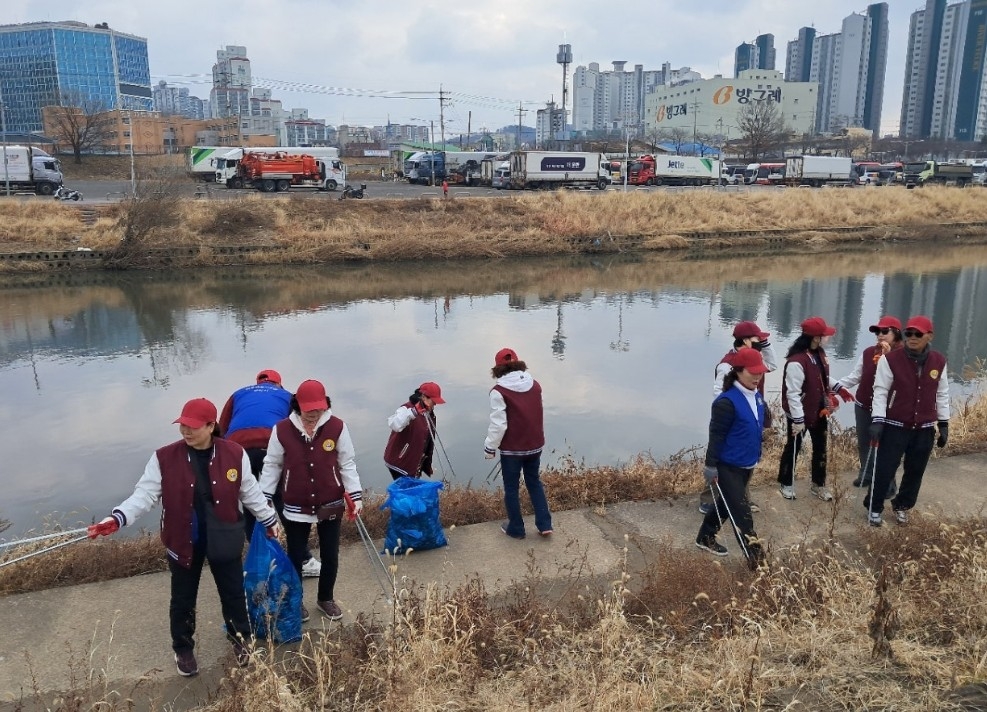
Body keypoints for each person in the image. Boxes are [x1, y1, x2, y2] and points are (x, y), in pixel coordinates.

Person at [87, 398, 279, 677]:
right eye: (182, 426)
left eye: (192, 427)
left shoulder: (234, 453)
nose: (185, 432)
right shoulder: (164, 457)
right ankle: (183, 647)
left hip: (224, 537)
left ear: (212, 426)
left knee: (234, 593)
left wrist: (269, 519)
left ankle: (241, 641)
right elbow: (145, 495)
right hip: (183, 539)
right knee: (182, 598)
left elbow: (249, 492)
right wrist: (117, 518)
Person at [259, 379, 364, 621]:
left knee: (330, 554)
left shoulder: (337, 427)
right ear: (297, 405)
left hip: (330, 501)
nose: (313, 414)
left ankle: (325, 597)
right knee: (295, 554)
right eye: (308, 410)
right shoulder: (282, 429)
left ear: (326, 405)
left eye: (318, 409)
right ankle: (295, 600)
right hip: (296, 501)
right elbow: (272, 465)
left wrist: (355, 495)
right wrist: (264, 497)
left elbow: (346, 463)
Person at [219, 369, 321, 578]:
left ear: (257, 382)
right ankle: (304, 560)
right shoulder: (287, 395)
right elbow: (299, 427)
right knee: (285, 503)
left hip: (237, 450)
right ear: (279, 384)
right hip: (270, 447)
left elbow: (221, 427)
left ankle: (261, 562)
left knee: (250, 503)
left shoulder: (239, 393)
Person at [866, 316, 949, 527]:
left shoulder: (939, 361)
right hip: (895, 425)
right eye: (909, 334)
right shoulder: (890, 359)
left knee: (915, 471)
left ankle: (902, 505)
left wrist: (944, 423)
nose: (912, 338)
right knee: (884, 468)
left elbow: (942, 393)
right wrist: (877, 420)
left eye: (918, 334)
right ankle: (874, 507)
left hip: (924, 428)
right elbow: (880, 392)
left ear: (929, 336)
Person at [695, 348, 768, 569]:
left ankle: (705, 537)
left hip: (747, 464)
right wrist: (710, 466)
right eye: (752, 373)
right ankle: (760, 567)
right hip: (728, 467)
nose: (757, 377)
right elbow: (715, 436)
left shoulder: (756, 396)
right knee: (743, 518)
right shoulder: (726, 403)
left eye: (760, 373)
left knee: (726, 504)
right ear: (738, 371)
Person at [701, 320, 777, 515]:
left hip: (748, 414)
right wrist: (732, 416)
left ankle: (741, 499)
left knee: (745, 461)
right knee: (722, 459)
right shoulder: (728, 364)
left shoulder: (755, 358)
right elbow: (718, 395)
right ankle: (708, 500)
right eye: (757, 339)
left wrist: (765, 345)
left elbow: (773, 365)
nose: (761, 342)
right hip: (732, 419)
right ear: (744, 340)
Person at [484, 347, 553, 539]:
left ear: (498, 369)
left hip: (513, 450)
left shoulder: (498, 391)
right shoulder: (536, 385)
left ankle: (516, 527)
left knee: (512, 488)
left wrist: (490, 447)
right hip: (535, 445)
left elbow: (499, 424)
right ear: (518, 364)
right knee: (534, 482)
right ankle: (545, 524)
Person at [833, 316, 903, 493]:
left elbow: (903, 381)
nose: (880, 335)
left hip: (890, 409)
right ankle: (866, 473)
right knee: (864, 442)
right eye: (877, 332)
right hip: (864, 405)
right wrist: (835, 388)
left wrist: (887, 358)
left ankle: (889, 483)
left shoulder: (903, 356)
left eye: (885, 331)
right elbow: (855, 376)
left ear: (896, 334)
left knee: (888, 447)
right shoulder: (868, 352)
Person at [777, 316, 843, 501]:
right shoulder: (797, 361)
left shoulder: (819, 354)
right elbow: (793, 393)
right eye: (825, 335)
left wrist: (839, 388)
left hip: (819, 410)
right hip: (799, 413)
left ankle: (818, 484)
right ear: (815, 337)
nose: (828, 338)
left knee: (821, 447)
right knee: (794, 447)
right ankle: (786, 483)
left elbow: (821, 377)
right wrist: (798, 420)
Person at [384, 381, 446, 480]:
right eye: (433, 401)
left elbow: (427, 441)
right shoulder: (406, 409)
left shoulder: (429, 414)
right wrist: (413, 412)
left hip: (414, 462)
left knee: (411, 490)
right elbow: (394, 424)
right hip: (400, 462)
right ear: (423, 397)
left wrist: (427, 465)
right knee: (407, 492)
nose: (435, 404)